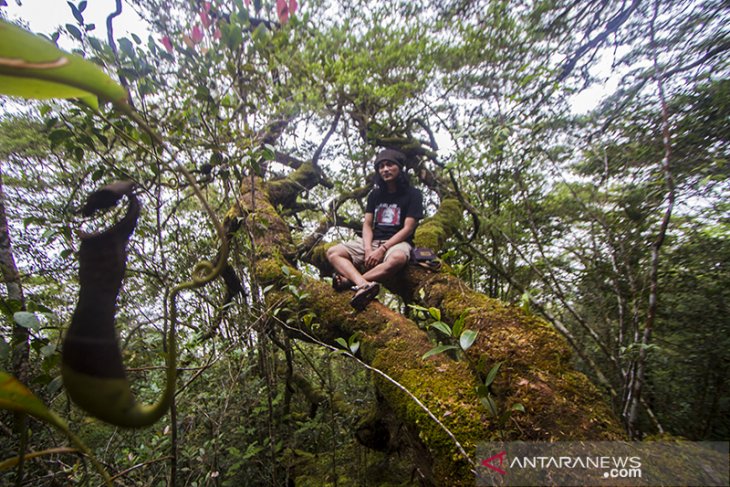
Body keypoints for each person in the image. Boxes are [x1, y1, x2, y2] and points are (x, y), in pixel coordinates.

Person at [327, 149, 424, 310]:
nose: (385, 169)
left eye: (389, 165)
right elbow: (367, 224)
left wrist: (383, 249)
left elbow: (408, 228)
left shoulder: (413, 194)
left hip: (397, 243)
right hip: (372, 241)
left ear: (399, 167)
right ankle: (363, 285)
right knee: (333, 252)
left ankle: (351, 281)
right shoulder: (375, 195)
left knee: (398, 259)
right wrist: (367, 249)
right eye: (381, 166)